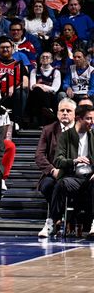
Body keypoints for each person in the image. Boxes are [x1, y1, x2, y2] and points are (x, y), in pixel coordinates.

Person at [49, 104, 94, 239]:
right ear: (79, 119)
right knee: (60, 184)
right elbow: (58, 160)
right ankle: (52, 221)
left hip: (90, 177)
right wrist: (74, 161)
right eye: (89, 119)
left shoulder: (93, 135)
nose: (92, 122)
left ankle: (93, 224)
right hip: (74, 177)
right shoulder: (66, 136)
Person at [35, 98, 75, 238]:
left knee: (63, 185)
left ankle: (53, 220)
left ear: (75, 114)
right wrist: (52, 170)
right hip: (53, 173)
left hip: (74, 174)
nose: (65, 113)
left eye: (68, 111)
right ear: (57, 113)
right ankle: (59, 219)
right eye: (62, 110)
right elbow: (39, 155)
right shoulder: (49, 130)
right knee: (47, 186)